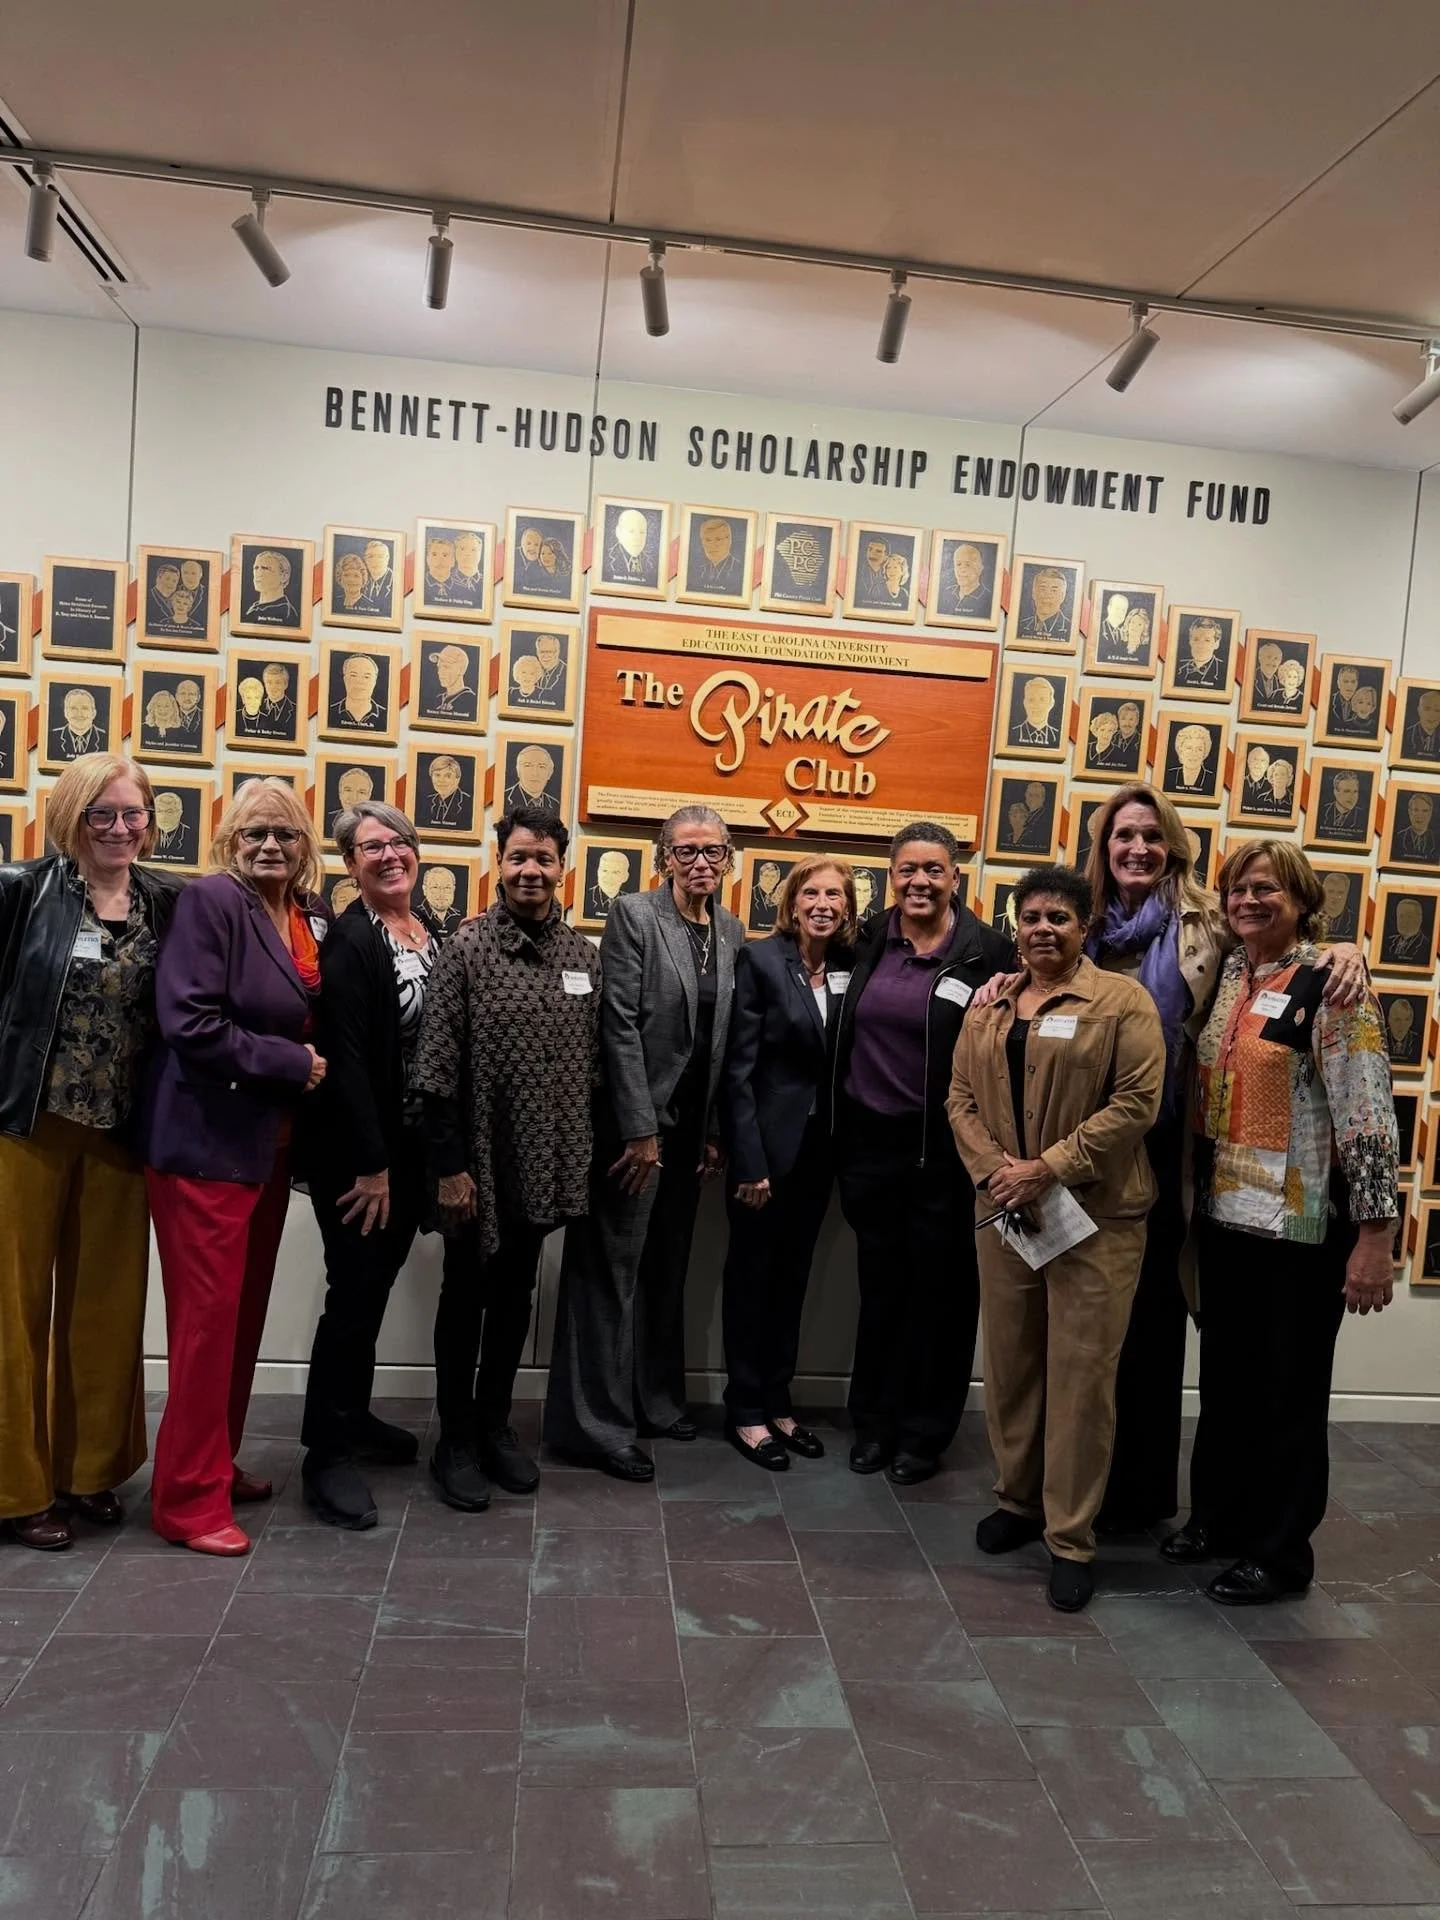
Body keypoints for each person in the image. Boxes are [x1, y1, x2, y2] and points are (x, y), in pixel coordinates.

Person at [973, 784, 1366, 1536]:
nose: (1137, 849)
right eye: (1123, 835)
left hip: (1160, 1141)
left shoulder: (1208, 924)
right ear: (1103, 844)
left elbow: (1280, 946)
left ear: (1173, 846)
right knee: (1052, 1325)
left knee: (1144, 1327)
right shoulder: (1077, 918)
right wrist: (1001, 979)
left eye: (1152, 836)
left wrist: (1343, 951)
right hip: (1058, 1139)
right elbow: (1030, 975)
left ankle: (1134, 1495)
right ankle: (1044, 1492)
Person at [1164, 841, 1399, 1605]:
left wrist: (1374, 1236)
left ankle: (1279, 1550)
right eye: (1237, 889)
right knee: (1229, 1384)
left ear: (1300, 900)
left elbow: (1365, 1116)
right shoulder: (1233, 975)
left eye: (1266, 889)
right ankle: (1220, 1519)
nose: (1248, 901)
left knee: (1288, 1395)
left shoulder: (1331, 985)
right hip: (1230, 1221)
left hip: (1301, 1232)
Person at [948, 864, 1166, 1611]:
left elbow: (1138, 1101)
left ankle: (1071, 1538)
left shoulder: (1121, 1001)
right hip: (1007, 1209)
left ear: (1083, 928)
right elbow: (960, 1098)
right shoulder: (992, 1003)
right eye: (1031, 916)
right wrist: (997, 1174)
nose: (1043, 928)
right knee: (1011, 1363)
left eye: (1059, 918)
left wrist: (1048, 1167)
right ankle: (1017, 1501)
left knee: (1080, 1381)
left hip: (1095, 1218)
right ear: (1016, 925)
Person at [142, 779, 329, 1555]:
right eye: (254, 832)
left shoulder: (307, 914)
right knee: (205, 1329)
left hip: (268, 1149)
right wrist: (292, 1063)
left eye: (285, 833)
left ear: (306, 844)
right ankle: (185, 1502)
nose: (270, 846)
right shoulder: (212, 903)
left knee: (241, 1320)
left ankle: (215, 1463)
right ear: (228, 840)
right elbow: (188, 1019)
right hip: (204, 1144)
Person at [0, 756, 180, 1550]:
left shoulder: (166, 902)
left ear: (151, 819)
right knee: (12, 1311)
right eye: (100, 814)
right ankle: (17, 1487)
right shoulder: (20, 891)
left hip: (119, 1132)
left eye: (131, 813)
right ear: (71, 817)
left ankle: (88, 1472)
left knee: (105, 1309)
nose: (117, 828)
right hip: (25, 1126)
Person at [545, 805, 742, 1481]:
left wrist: (712, 1131)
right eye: (685, 852)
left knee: (666, 1271)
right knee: (611, 1276)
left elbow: (721, 1041)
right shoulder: (635, 916)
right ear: (662, 858)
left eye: (713, 852)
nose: (700, 864)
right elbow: (619, 1024)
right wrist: (640, 1129)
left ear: (729, 860)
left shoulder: (732, 929)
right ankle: (596, 1427)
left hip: (690, 1137)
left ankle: (655, 1401)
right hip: (636, 1132)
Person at [414, 808, 602, 1509]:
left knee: (517, 1296)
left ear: (563, 868)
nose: (531, 870)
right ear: (499, 862)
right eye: (519, 856)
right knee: (465, 1299)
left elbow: (591, 1070)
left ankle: (495, 1426)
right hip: (474, 1166)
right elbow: (434, 1071)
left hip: (543, 1167)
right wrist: (450, 1167)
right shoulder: (466, 952)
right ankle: (455, 1439)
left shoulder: (584, 958)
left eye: (544, 858)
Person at [832, 821, 1015, 1485]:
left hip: (948, 1154)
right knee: (880, 1293)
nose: (919, 882)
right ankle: (873, 1425)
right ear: (891, 876)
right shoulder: (867, 939)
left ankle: (923, 1435)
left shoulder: (990, 952)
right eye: (907, 869)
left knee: (941, 1298)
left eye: (933, 870)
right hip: (869, 1150)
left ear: (955, 877)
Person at [297, 803, 436, 1529]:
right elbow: (347, 1062)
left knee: (372, 1289)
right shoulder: (352, 941)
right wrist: (373, 1165)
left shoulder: (427, 930)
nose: (387, 855)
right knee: (352, 1296)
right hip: (361, 1161)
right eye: (369, 847)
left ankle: (351, 1417)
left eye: (398, 842)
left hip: (410, 1154)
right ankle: (326, 1455)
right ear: (349, 865)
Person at [722, 857, 855, 1470]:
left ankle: (778, 1401)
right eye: (812, 893)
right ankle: (745, 1410)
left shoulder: (853, 967)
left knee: (792, 1283)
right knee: (752, 1282)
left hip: (821, 1156)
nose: (823, 903)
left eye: (836, 893)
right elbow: (739, 1069)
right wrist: (748, 1163)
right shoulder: (763, 960)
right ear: (792, 901)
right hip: (765, 1158)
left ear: (849, 906)